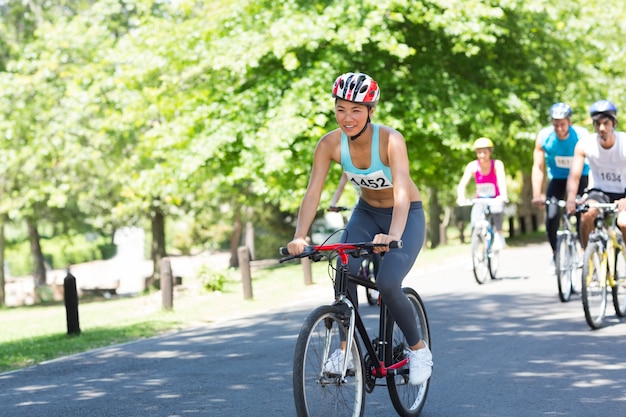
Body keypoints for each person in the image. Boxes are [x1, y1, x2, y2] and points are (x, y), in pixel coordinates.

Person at [286, 72, 432, 385]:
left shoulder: (391, 140)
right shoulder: (329, 144)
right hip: (365, 213)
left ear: (370, 111)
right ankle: (344, 350)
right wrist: (300, 235)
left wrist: (393, 235)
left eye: (356, 110)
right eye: (341, 109)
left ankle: (418, 349)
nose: (347, 118)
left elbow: (403, 192)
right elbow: (313, 192)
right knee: (344, 267)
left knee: (389, 283)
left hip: (405, 216)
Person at [531, 103, 589, 263]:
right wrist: (537, 194)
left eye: (562, 124)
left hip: (581, 177)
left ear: (569, 122)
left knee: (582, 214)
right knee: (551, 215)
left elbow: (593, 163)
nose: (559, 128)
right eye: (555, 124)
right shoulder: (544, 137)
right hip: (557, 178)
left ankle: (585, 252)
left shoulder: (582, 136)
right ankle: (555, 253)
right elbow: (538, 167)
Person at [566, 100, 626, 248]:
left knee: (623, 223)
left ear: (614, 123)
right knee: (587, 214)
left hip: (624, 192)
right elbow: (574, 175)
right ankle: (587, 256)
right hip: (600, 191)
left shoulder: (624, 143)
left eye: (606, 123)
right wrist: (571, 198)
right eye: (597, 123)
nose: (601, 128)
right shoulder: (585, 144)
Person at [456, 137, 509, 250]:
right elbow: (462, 184)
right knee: (475, 221)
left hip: (495, 198)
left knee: (497, 210)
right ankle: (475, 254)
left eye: (484, 152)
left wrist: (503, 195)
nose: (482, 155)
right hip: (480, 199)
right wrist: (461, 197)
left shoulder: (497, 165)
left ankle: (499, 235)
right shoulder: (473, 166)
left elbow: (501, 180)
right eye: (479, 152)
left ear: (490, 152)